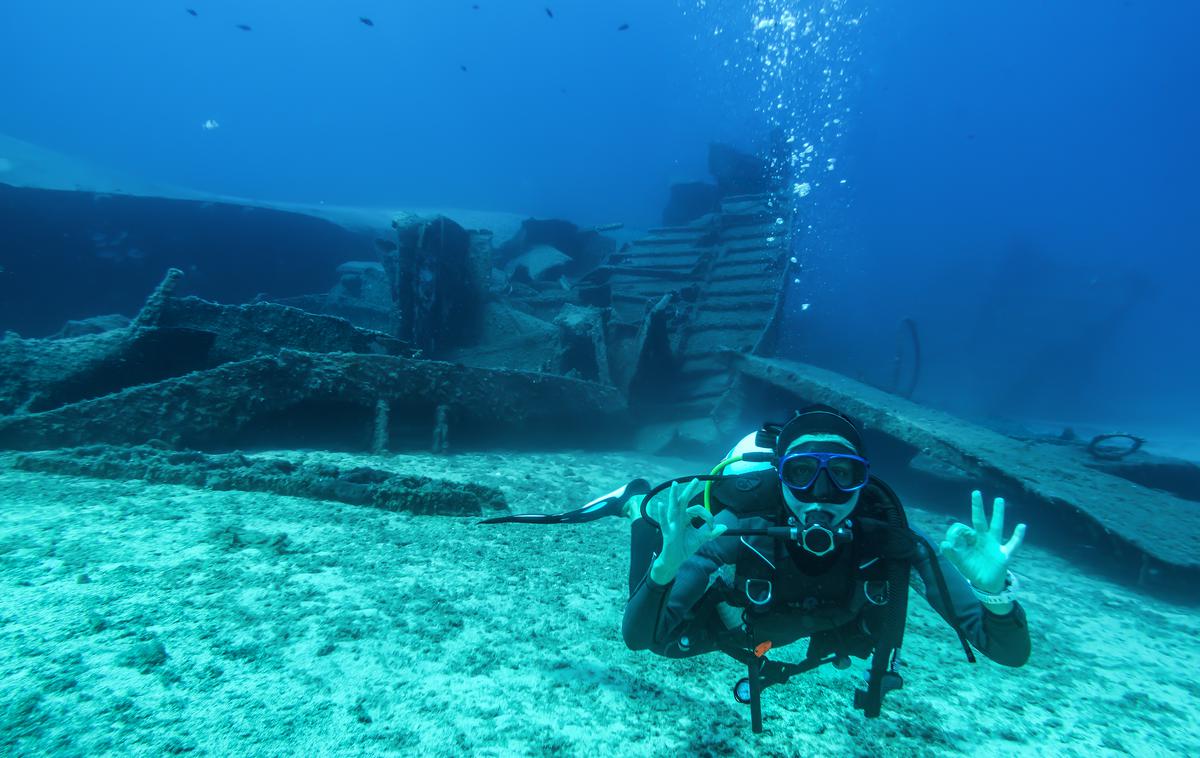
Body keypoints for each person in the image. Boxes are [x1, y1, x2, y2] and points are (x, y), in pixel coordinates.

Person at [482, 404, 1030, 727]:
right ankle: (637, 506)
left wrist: (995, 593)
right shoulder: (740, 536)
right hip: (749, 624)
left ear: (863, 480)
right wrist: (668, 566)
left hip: (796, 629)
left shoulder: (895, 545)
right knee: (669, 641)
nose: (821, 494)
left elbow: (1007, 651)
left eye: (842, 473)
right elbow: (638, 638)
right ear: (781, 480)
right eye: (801, 475)